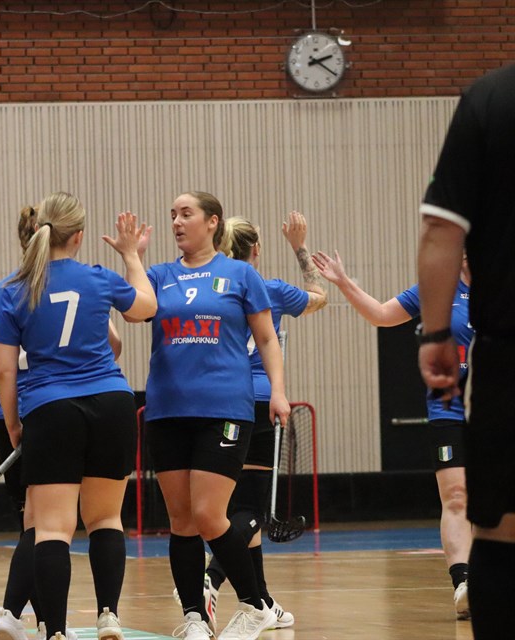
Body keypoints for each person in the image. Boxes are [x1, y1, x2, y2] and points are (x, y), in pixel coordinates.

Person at [0, 192, 157, 640]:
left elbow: (5, 370)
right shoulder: (99, 278)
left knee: (51, 529)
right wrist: (131, 256)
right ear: (79, 236)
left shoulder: (14, 291)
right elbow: (146, 307)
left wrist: (13, 424)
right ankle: (108, 616)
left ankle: (57, 632)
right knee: (105, 519)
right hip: (112, 405)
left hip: (51, 410)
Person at [0, 205, 124, 640]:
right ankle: (31, 616)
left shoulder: (4, 291)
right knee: (63, 523)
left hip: (19, 414)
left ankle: (29, 618)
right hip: (73, 407)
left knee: (39, 524)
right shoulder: (85, 282)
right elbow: (114, 344)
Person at [137, 191, 289, 640]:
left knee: (208, 515)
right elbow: (132, 312)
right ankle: (194, 617)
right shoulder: (158, 275)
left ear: (212, 222)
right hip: (167, 409)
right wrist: (131, 256)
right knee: (181, 521)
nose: (177, 222)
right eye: (173, 215)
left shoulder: (240, 274)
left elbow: (267, 339)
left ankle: (255, 605)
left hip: (224, 408)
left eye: (186, 214)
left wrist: (278, 392)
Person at [312, 249, 474, 618]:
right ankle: (464, 584)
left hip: (495, 409)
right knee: (456, 497)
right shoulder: (437, 288)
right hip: (448, 409)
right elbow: (382, 315)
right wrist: (344, 282)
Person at [415, 64, 515, 639]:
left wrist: (435, 337)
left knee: (501, 530)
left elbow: (441, 229)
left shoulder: (490, 99)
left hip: (507, 353)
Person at [199, 212, 327, 631]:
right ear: (256, 249)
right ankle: (212, 576)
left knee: (236, 509)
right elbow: (319, 295)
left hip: (217, 404)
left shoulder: (214, 289)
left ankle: (262, 601)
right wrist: (299, 247)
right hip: (257, 402)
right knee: (251, 511)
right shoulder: (270, 290)